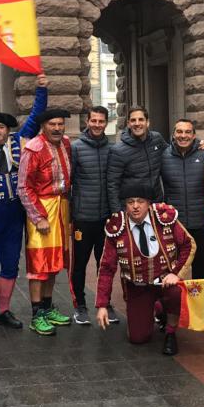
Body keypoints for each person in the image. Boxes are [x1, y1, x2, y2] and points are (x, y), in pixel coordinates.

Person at [0, 73, 48, 333]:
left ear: (7, 130)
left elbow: (38, 116)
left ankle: (4, 309)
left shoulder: (19, 142)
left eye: (1, 127)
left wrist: (41, 90)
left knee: (11, 263)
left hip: (15, 216)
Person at [96, 184, 195, 355]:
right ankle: (156, 308)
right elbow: (106, 268)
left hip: (165, 282)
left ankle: (170, 333)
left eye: (140, 201)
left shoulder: (164, 217)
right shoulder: (117, 227)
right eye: (130, 202)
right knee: (138, 338)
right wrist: (102, 305)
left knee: (174, 293)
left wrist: (176, 274)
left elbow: (188, 244)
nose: (135, 206)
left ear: (149, 203)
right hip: (138, 287)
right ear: (125, 205)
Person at [17, 109, 73, 335]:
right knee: (39, 265)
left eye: (61, 124)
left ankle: (48, 308)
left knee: (55, 262)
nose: (58, 128)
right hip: (42, 208)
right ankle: (36, 314)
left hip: (61, 207)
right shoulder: (33, 148)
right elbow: (23, 186)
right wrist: (38, 216)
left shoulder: (65, 143)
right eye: (53, 124)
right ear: (43, 126)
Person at [69, 106, 118, 325]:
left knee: (105, 263)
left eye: (101, 121)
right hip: (82, 217)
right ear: (87, 122)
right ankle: (80, 305)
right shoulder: (76, 148)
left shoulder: (113, 148)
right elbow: (67, 181)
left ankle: (105, 303)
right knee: (79, 263)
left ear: (106, 123)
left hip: (105, 218)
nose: (97, 125)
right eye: (94, 121)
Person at [161, 119, 204, 279]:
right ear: (174, 134)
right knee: (174, 267)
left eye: (187, 132)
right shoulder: (164, 155)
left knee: (200, 266)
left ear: (194, 135)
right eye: (179, 132)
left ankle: (199, 303)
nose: (183, 136)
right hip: (175, 223)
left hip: (199, 222)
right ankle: (175, 303)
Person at [106, 106, 168, 213]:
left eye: (141, 119)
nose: (137, 123)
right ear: (128, 124)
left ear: (147, 122)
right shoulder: (118, 150)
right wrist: (117, 213)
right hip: (133, 210)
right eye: (133, 120)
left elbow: (172, 153)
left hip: (156, 206)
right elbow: (112, 185)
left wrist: (196, 145)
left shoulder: (157, 139)